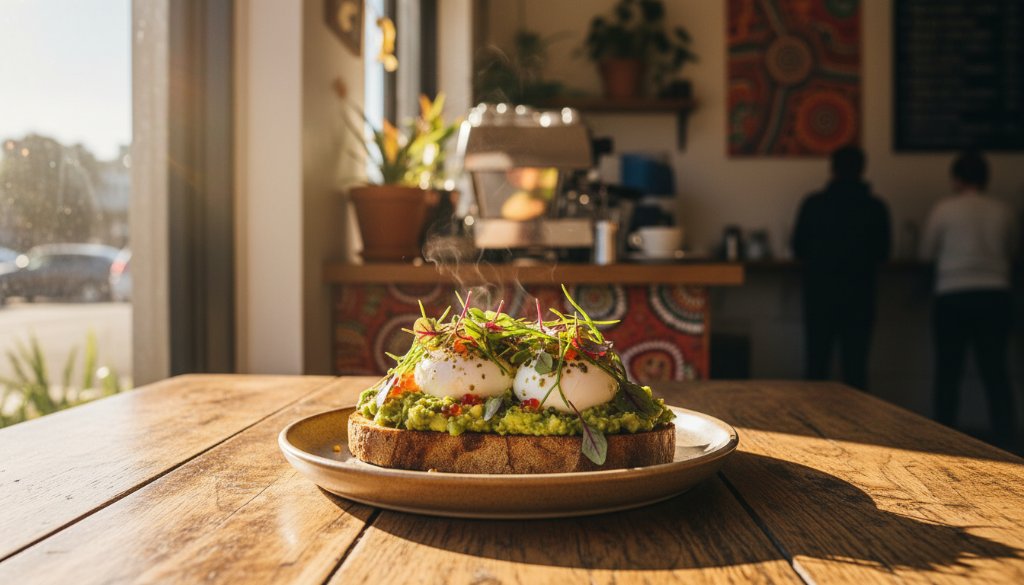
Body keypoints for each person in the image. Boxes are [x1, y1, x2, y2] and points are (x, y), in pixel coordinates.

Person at [920, 150, 1019, 448]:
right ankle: (1008, 441)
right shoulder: (1003, 210)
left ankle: (943, 441)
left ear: (956, 179)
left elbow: (926, 253)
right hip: (995, 294)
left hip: (953, 294)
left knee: (948, 373)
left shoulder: (944, 209)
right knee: (996, 373)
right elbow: (1014, 252)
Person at [793, 145, 891, 390]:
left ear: (832, 169)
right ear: (863, 170)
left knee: (816, 367)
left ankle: (810, 415)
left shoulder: (814, 204)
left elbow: (798, 248)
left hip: (820, 295)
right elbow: (883, 252)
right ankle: (857, 417)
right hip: (860, 295)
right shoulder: (875, 207)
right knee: (856, 369)